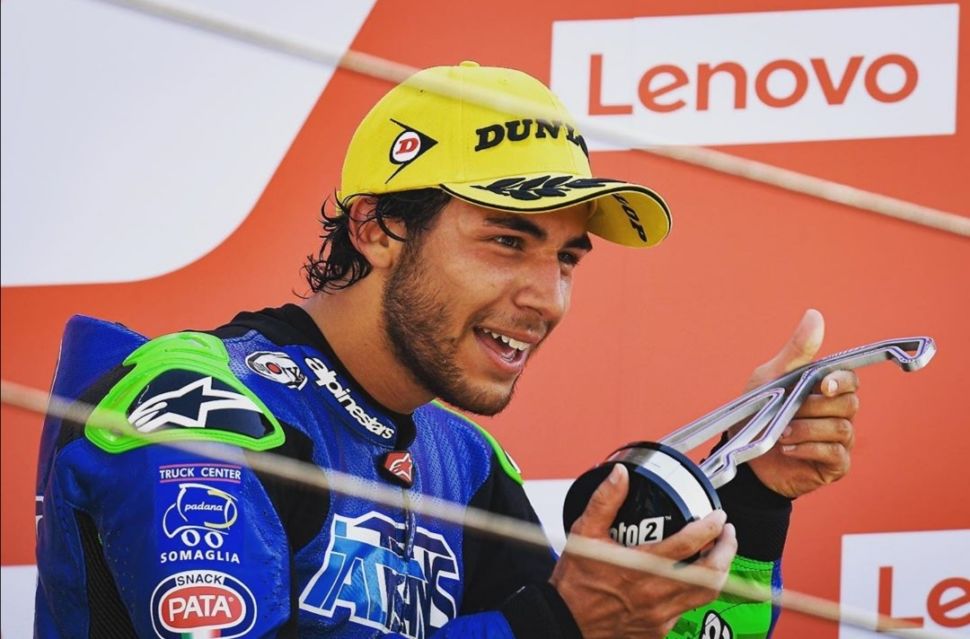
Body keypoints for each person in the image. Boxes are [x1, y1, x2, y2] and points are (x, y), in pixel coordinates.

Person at [34, 62, 859, 639]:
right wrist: (552, 623)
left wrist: (753, 498)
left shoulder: (460, 458)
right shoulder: (201, 407)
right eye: (507, 241)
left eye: (567, 259)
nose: (548, 298)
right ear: (377, 227)